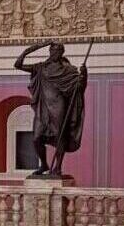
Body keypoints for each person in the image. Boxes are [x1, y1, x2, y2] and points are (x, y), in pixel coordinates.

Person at [16, 40, 89, 177]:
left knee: (59, 136)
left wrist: (84, 76)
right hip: (43, 107)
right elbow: (18, 65)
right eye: (52, 50)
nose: (54, 53)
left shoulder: (68, 70)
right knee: (36, 138)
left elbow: (79, 87)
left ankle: (58, 168)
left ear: (61, 53)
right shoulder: (41, 67)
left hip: (58, 106)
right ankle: (44, 164)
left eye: (57, 51)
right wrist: (32, 48)